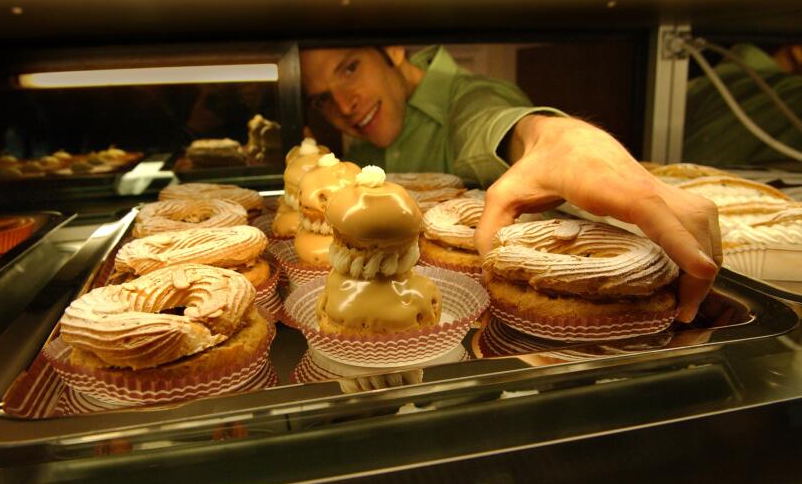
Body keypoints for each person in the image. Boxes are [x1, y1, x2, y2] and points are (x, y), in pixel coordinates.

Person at [300, 45, 721, 323]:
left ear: (392, 48)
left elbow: (491, 120)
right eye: (322, 98)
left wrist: (547, 136)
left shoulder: (470, 96)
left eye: (350, 68)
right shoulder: (365, 134)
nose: (343, 105)